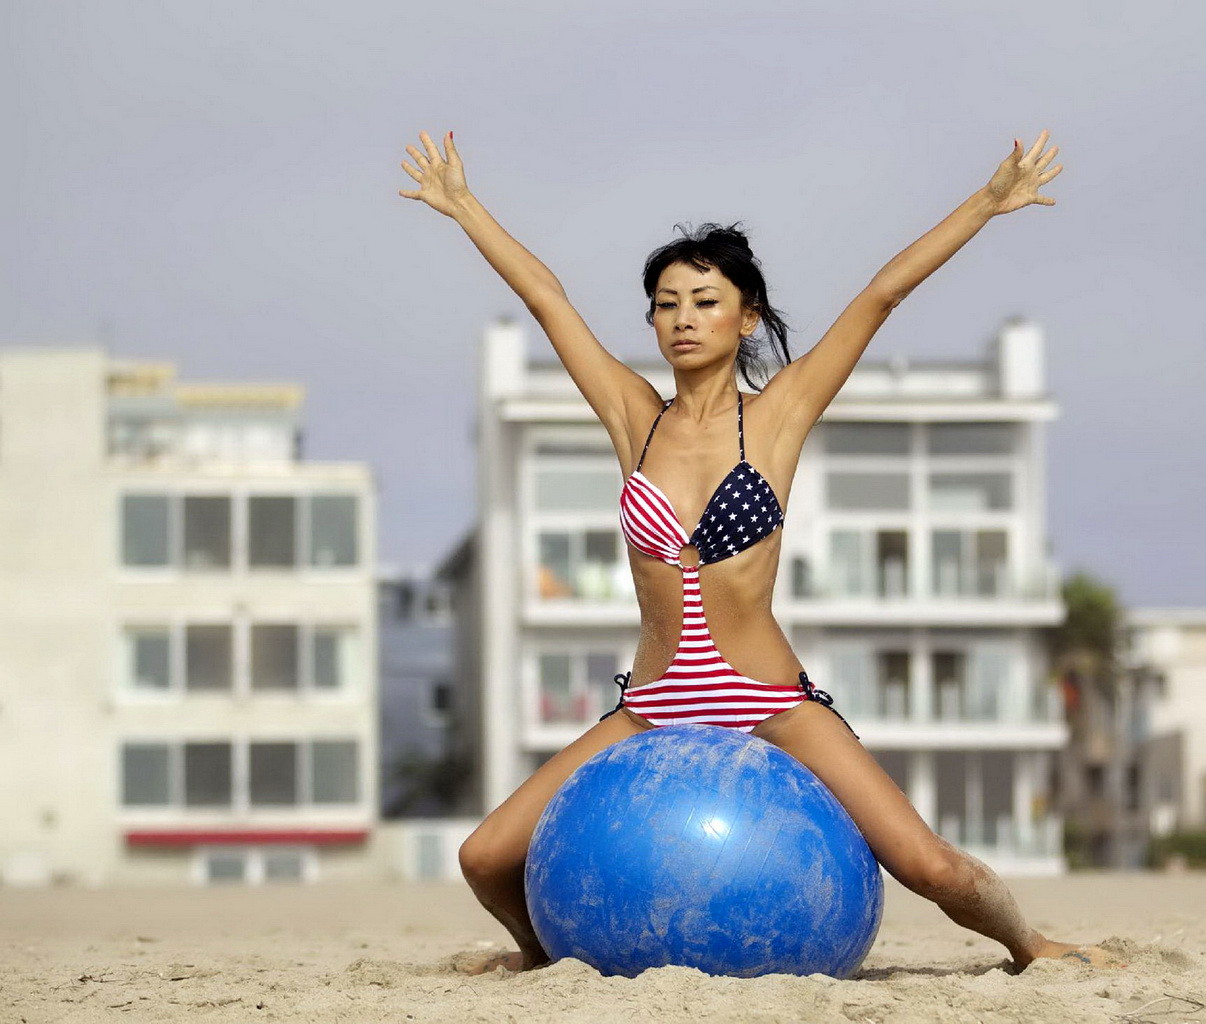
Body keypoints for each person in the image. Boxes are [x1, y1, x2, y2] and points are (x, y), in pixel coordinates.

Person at [397, 128, 1120, 974]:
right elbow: (548, 299)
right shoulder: (635, 418)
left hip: (763, 691)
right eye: (666, 303)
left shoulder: (776, 414)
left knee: (927, 865)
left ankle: (1028, 945)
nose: (682, 319)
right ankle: (543, 955)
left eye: (704, 301)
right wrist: (462, 207)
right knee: (485, 856)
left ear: (745, 318)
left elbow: (882, 294)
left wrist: (987, 204)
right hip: (656, 699)